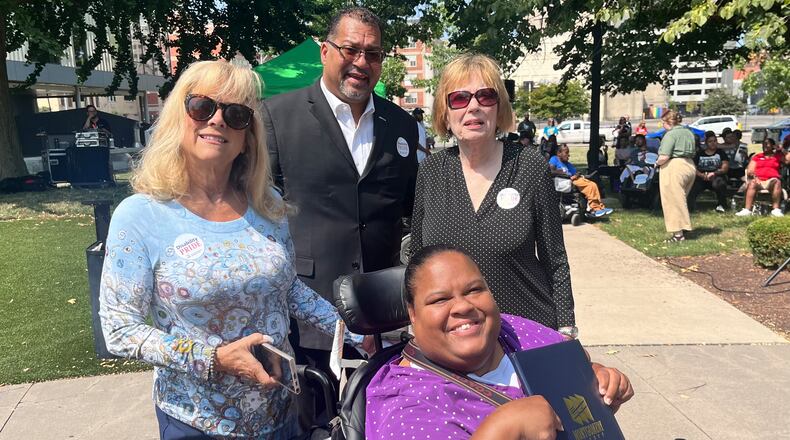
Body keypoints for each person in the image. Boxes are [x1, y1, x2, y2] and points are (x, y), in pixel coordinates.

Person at [99, 61, 368, 439]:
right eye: (202, 107)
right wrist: (213, 360)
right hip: (195, 422)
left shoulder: (267, 205)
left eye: (236, 113)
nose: (218, 120)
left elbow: (289, 290)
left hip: (281, 417)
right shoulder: (141, 215)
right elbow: (119, 329)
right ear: (180, 115)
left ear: (248, 136)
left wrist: (354, 331)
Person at [261, 7, 418, 376]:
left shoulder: (402, 125)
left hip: (385, 313)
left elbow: (413, 208)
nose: (361, 62)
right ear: (325, 51)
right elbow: (260, 212)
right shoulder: (277, 116)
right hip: (309, 313)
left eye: (373, 53)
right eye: (350, 49)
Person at [366, 245, 634, 439]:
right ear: (412, 313)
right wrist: (503, 429)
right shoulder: (405, 405)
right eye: (440, 299)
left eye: (474, 290)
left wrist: (594, 380)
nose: (463, 306)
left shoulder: (511, 329)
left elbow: (570, 364)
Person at [410, 53, 577, 337]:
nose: (473, 106)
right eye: (460, 99)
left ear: (498, 109)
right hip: (455, 337)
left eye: (485, 96)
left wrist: (566, 328)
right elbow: (417, 259)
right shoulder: (431, 171)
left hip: (526, 331)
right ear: (445, 113)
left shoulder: (529, 165)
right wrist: (415, 324)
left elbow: (555, 258)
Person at [656, 110, 697, 242]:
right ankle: (683, 227)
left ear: (668, 122)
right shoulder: (689, 133)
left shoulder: (670, 135)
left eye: (663, 122)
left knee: (673, 201)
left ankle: (678, 235)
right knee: (681, 199)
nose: (662, 125)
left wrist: (656, 163)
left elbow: (664, 156)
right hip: (690, 165)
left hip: (675, 166)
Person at [549, 144, 613, 217]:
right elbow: (551, 171)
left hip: (574, 179)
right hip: (566, 181)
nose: (568, 155)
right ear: (559, 153)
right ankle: (595, 208)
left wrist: (577, 174)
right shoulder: (554, 159)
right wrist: (564, 174)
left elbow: (575, 172)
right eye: (566, 153)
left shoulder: (568, 164)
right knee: (590, 186)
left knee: (593, 185)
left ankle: (600, 207)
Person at [735, 138, 789, 217]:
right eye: (763, 144)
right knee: (752, 183)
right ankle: (747, 210)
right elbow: (750, 170)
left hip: (771, 180)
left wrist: (782, 149)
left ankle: (776, 210)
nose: (765, 146)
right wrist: (755, 177)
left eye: (767, 144)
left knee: (777, 181)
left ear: (773, 146)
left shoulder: (777, 156)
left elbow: (788, 160)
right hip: (758, 180)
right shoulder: (757, 156)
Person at [688, 133, 730, 213]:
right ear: (706, 143)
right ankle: (690, 207)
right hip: (701, 177)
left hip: (716, 176)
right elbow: (693, 168)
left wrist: (714, 173)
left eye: (715, 141)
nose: (713, 143)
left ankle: (721, 205)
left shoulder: (721, 153)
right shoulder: (700, 154)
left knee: (720, 184)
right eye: (710, 141)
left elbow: (725, 168)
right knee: (693, 186)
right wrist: (701, 175)